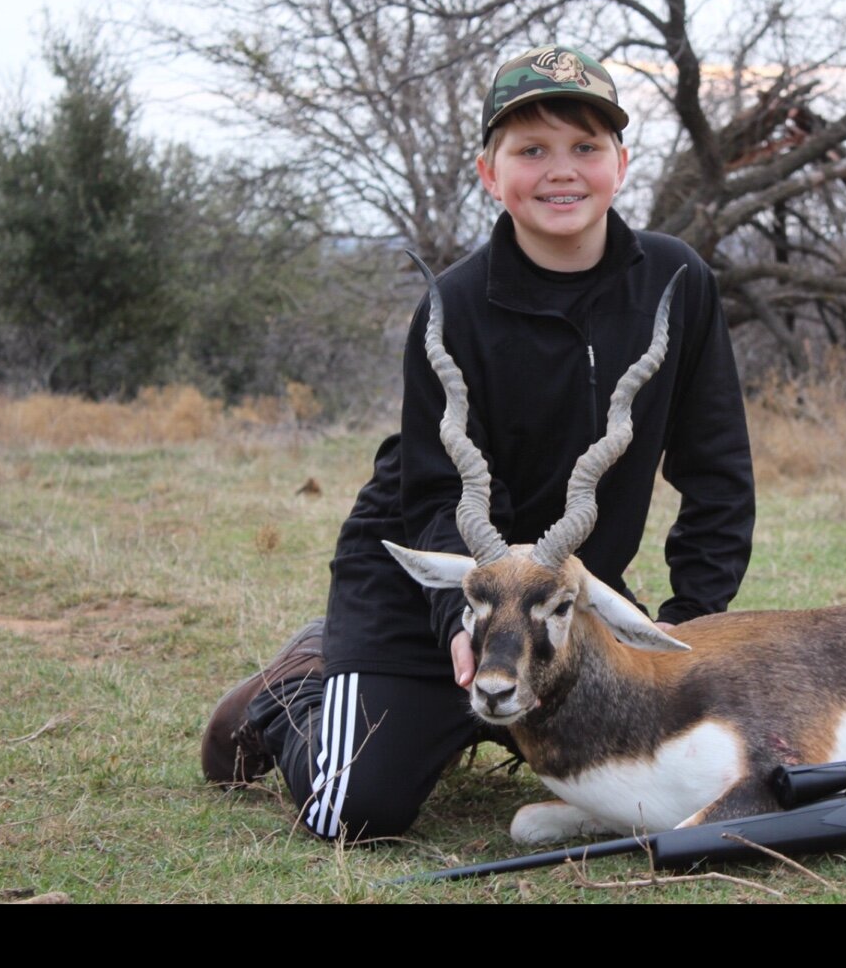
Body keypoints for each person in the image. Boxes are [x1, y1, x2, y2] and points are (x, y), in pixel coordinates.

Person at [200, 44, 756, 841]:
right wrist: (459, 624)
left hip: (556, 596)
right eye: (532, 151)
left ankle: (481, 718)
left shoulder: (676, 283)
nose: (561, 171)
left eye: (585, 148)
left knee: (672, 770)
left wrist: (691, 630)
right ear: (490, 174)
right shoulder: (453, 309)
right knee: (354, 812)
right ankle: (294, 687)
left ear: (621, 164)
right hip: (431, 585)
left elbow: (718, 474)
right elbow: (432, 496)